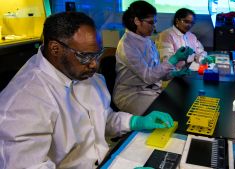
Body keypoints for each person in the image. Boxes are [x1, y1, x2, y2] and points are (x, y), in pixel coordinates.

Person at [0, 12, 174, 169]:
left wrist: (135, 122)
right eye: (85, 56)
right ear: (55, 48)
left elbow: (101, 119)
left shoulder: (86, 76)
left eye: (97, 55)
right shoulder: (23, 101)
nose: (94, 65)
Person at [113, 1, 194, 116]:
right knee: (167, 115)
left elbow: (157, 72)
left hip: (150, 89)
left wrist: (175, 73)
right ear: (137, 21)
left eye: (155, 22)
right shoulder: (127, 45)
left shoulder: (146, 39)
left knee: (180, 106)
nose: (154, 26)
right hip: (131, 94)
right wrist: (174, 59)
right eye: (151, 22)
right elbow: (149, 77)